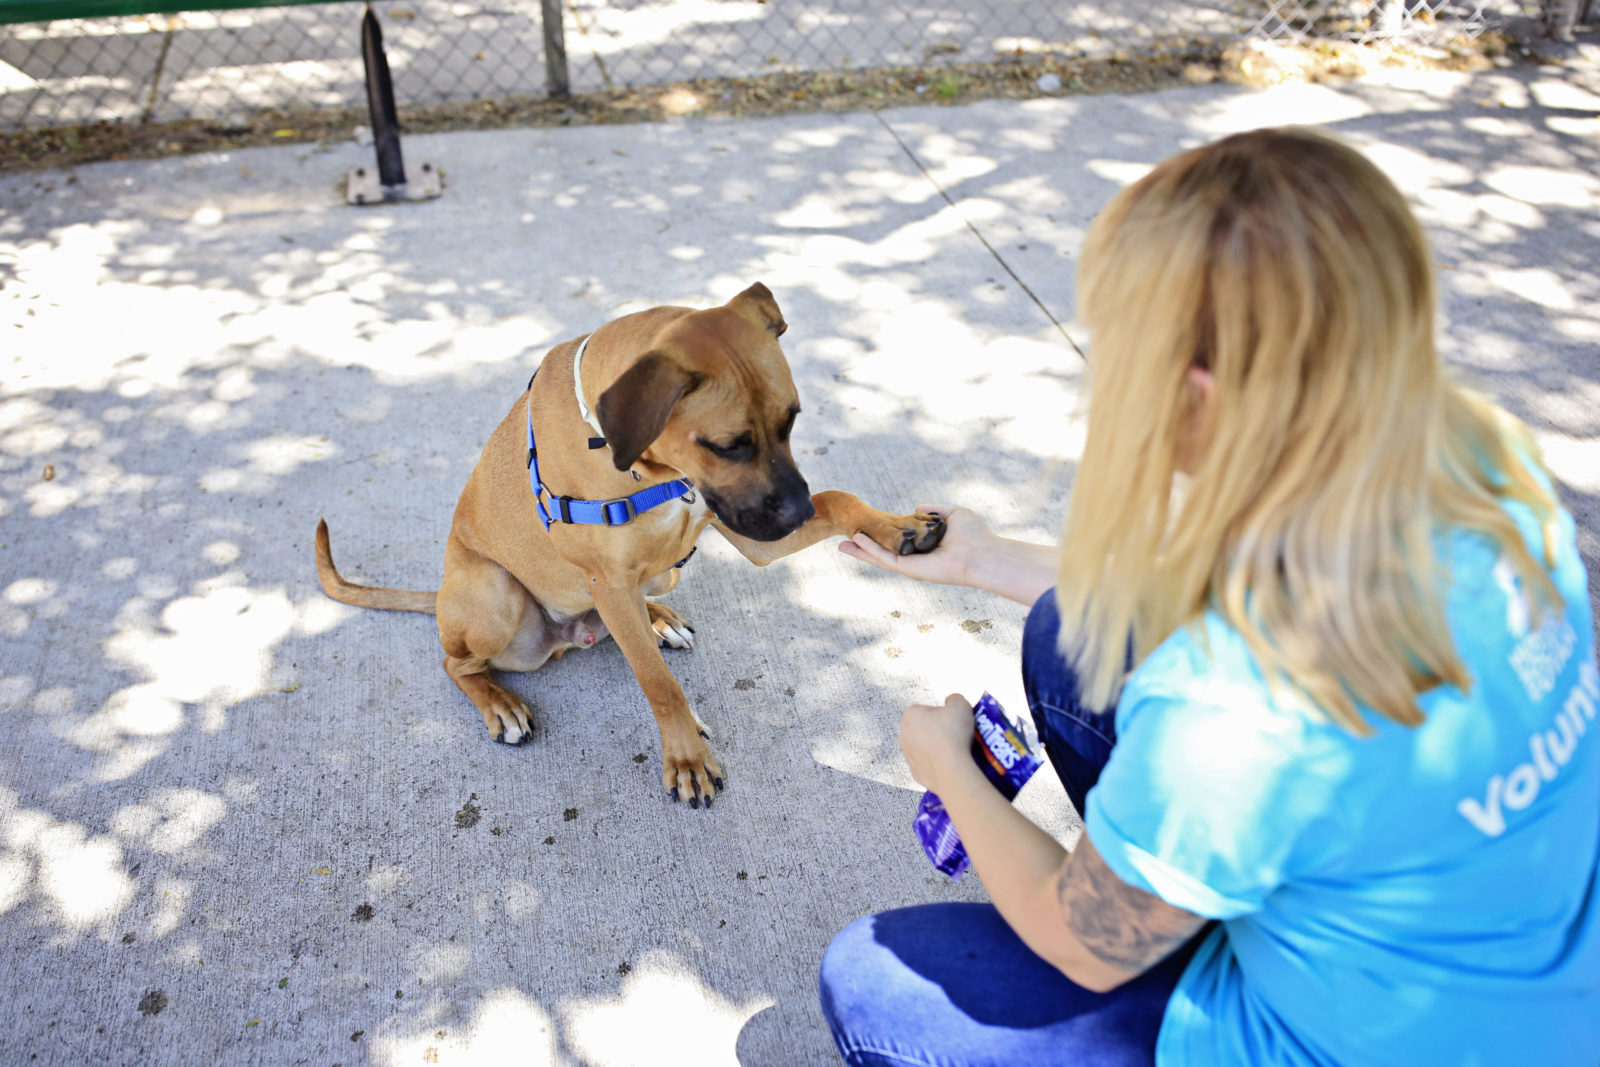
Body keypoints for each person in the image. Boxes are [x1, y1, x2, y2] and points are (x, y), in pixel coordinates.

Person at [817, 127, 1600, 1067]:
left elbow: (1083, 943)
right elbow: (1189, 604)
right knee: (1074, 632)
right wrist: (984, 558)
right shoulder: (1489, 475)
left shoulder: (1231, 706)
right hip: (1522, 997)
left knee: (868, 980)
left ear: (1195, 392)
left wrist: (946, 764)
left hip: (1330, 1043)